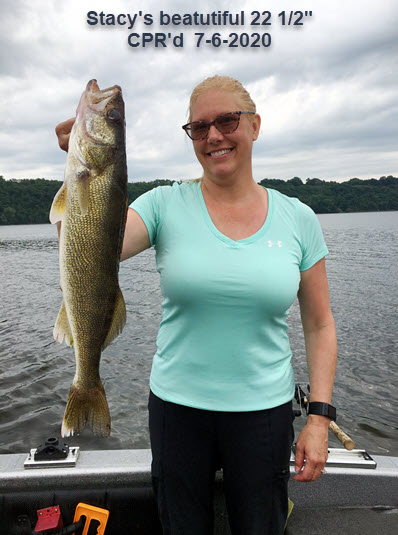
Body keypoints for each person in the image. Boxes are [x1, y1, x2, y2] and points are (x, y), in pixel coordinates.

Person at [55, 75, 337, 535]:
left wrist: (319, 420)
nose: (214, 136)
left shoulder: (299, 218)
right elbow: (88, 246)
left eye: (227, 121)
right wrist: (74, 166)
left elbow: (320, 326)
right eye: (199, 127)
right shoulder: (164, 204)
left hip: (264, 414)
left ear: (255, 126)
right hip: (176, 410)